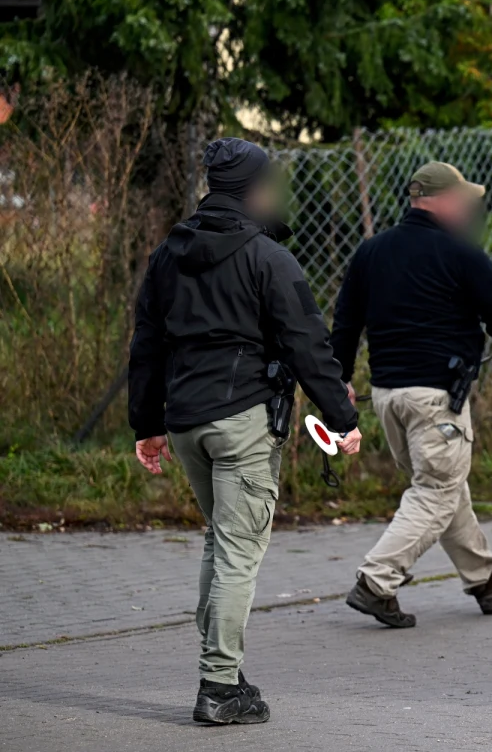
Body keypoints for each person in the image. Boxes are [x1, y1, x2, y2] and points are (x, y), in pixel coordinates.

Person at [128, 137, 361, 725]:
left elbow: (147, 345)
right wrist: (343, 418)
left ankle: (224, 671)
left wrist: (147, 424)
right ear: (254, 189)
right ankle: (218, 685)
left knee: (220, 540)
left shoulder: (167, 254)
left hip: (185, 422)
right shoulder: (269, 258)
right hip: (242, 422)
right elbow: (308, 344)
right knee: (237, 551)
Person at [331, 161, 492, 628]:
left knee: (445, 488)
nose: (468, 207)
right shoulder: (462, 253)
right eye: (463, 198)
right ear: (443, 201)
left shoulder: (372, 252)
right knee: (436, 491)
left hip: (388, 398)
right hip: (436, 400)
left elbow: (346, 322)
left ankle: (486, 580)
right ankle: (376, 581)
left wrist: (340, 379)